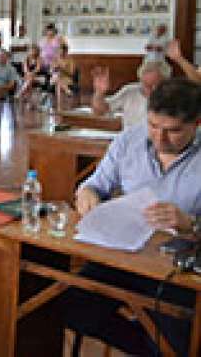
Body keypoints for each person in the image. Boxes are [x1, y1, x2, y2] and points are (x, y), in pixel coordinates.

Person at [67, 79, 201, 355]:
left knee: (174, 343)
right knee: (74, 307)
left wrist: (191, 223)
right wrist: (87, 193)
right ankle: (144, 343)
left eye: (173, 131)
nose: (160, 138)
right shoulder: (130, 140)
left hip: (178, 268)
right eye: (153, 126)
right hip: (125, 253)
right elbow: (95, 184)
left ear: (196, 124)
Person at [90, 60, 171, 129]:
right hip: (130, 140)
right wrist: (99, 92)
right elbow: (100, 111)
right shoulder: (130, 91)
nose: (151, 89)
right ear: (140, 79)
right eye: (146, 84)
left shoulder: (171, 96)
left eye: (155, 84)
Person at [50, 43, 77, 110]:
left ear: (66, 51)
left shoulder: (70, 60)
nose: (60, 53)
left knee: (58, 84)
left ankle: (59, 106)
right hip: (55, 77)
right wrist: (54, 69)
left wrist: (62, 69)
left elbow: (71, 73)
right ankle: (67, 91)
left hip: (66, 78)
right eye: (59, 51)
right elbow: (51, 71)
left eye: (62, 52)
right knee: (56, 79)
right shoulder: (55, 59)